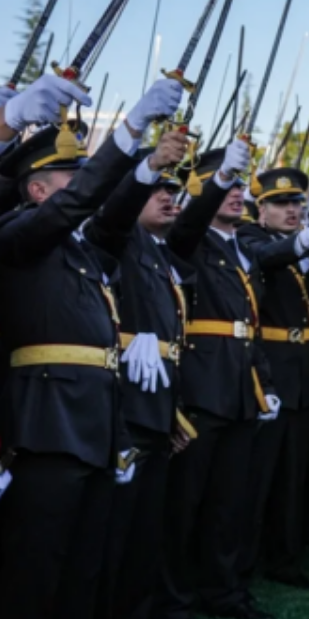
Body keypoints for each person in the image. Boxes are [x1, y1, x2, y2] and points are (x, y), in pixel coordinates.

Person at [0, 75, 179, 619]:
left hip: (97, 425)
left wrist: (144, 164)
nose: (82, 187)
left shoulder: (83, 251)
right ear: (36, 189)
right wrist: (126, 132)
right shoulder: (19, 233)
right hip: (47, 425)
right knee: (38, 567)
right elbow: (77, 204)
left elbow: (114, 212)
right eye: (68, 177)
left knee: (86, 566)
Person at [155, 138, 282, 619]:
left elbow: (251, 327)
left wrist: (264, 383)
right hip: (202, 389)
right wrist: (220, 177)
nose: (234, 195)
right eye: (218, 185)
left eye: (235, 186)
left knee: (230, 505)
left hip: (241, 390)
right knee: (186, 505)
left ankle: (224, 592)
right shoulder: (186, 237)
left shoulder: (244, 247)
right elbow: (187, 222)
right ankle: (176, 599)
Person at [83, 131, 193, 619]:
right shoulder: (121, 238)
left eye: (172, 191)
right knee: (115, 530)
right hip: (124, 405)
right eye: (156, 190)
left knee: (145, 528)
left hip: (156, 405)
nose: (168, 196)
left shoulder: (160, 254)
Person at [235, 168, 309, 592]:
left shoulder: (302, 247)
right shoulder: (250, 238)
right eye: (281, 204)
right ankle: (243, 563)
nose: (292, 210)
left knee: (292, 478)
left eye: (297, 203)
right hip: (268, 373)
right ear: (260, 210)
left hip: (299, 372)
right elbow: (271, 257)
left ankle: (285, 558)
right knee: (257, 478)